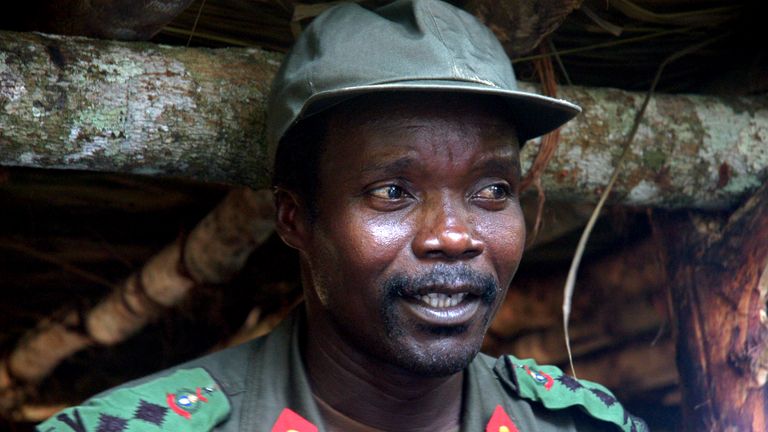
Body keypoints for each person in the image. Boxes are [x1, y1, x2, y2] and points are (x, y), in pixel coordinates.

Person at [39, 1, 647, 431]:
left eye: (492, 189)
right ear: (294, 218)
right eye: (391, 192)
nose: (455, 236)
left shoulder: (584, 424)